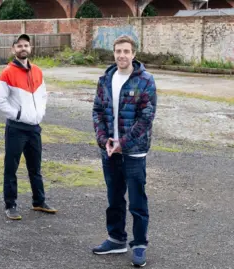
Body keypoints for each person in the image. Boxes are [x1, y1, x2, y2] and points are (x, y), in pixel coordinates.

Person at [91, 35, 157, 267]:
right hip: (110, 151)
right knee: (114, 197)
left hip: (134, 152)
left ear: (134, 54)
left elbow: (146, 117)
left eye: (126, 51)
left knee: (137, 201)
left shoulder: (145, 81)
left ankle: (139, 244)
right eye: (118, 51)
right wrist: (103, 140)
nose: (122, 55)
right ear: (114, 53)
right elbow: (98, 111)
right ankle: (116, 239)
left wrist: (124, 143)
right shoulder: (105, 79)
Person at [0, 34, 57, 220]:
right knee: (11, 167)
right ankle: (10, 204)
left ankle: (39, 201)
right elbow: (0, 101)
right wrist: (19, 115)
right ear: (13, 49)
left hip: (34, 128)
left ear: (30, 48)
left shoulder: (37, 71)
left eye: (26, 45)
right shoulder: (7, 73)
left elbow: (43, 96)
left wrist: (40, 114)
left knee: (35, 167)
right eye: (19, 45)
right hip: (16, 128)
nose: (23, 48)